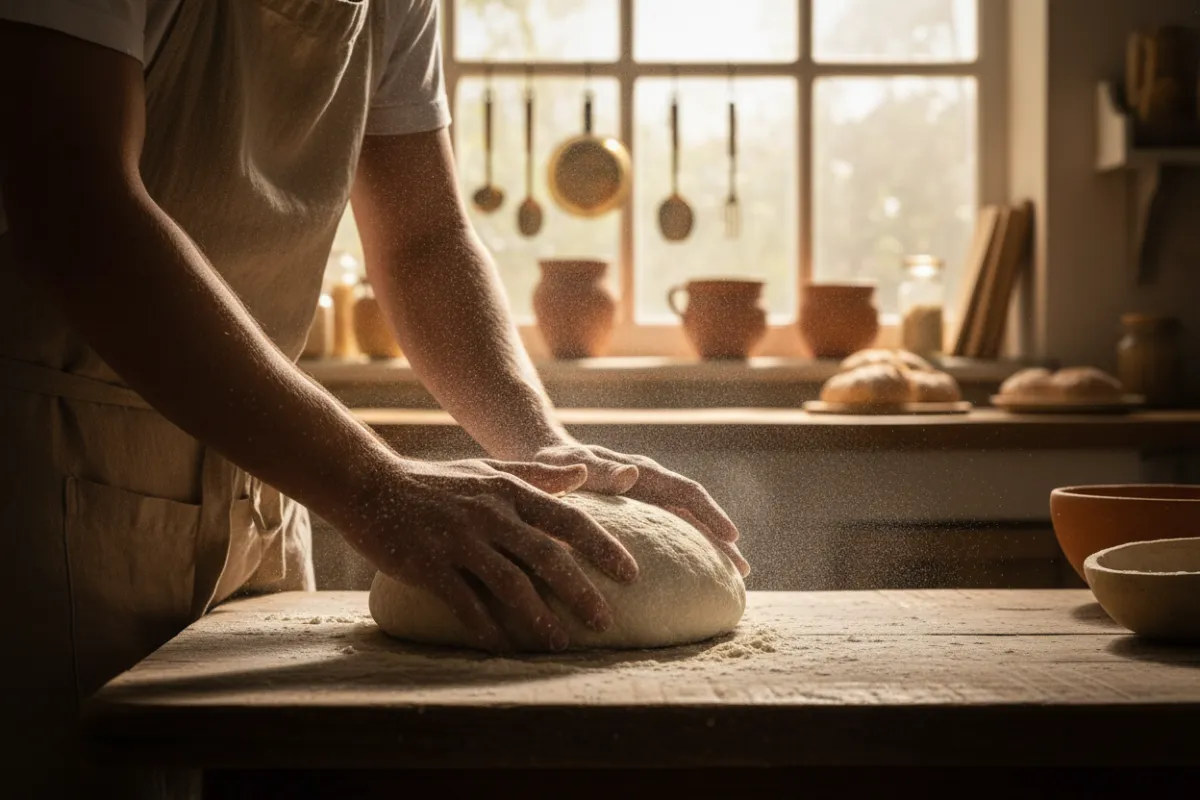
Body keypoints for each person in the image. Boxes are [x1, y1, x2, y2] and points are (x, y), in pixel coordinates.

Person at [0, 0, 749, 791]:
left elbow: (427, 239)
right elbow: (75, 199)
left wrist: (538, 442)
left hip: (267, 467)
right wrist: (371, 484)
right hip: (50, 481)